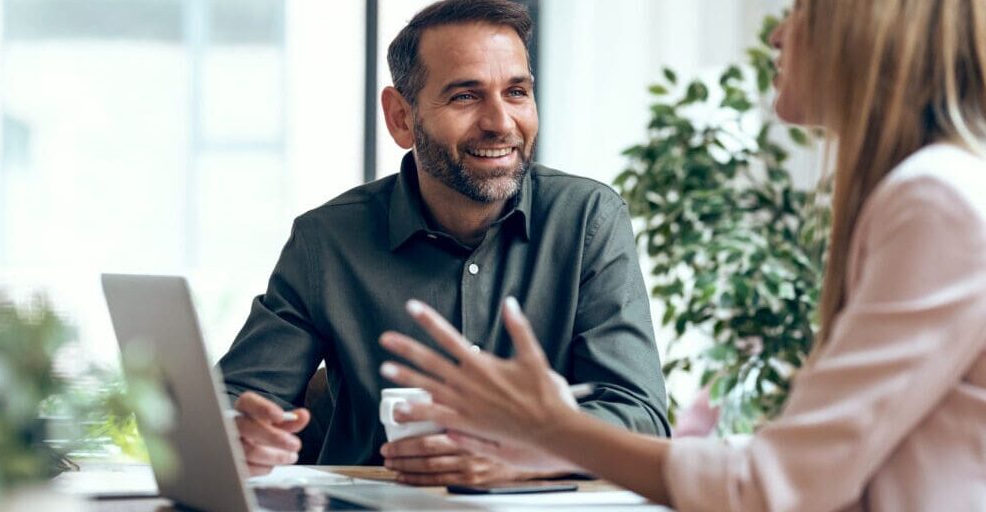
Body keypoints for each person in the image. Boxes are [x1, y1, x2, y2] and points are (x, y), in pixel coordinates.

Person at [377, 0, 986, 509]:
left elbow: (773, 485)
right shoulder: (930, 192)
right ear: (401, 117)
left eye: (801, 10)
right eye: (465, 96)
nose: (776, 34)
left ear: (865, 31)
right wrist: (554, 441)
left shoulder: (937, 201)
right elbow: (814, 466)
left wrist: (553, 430)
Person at [217, 0, 670, 485]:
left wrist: (528, 453)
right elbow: (233, 400)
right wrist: (241, 432)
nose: (501, 122)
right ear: (400, 117)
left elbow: (639, 415)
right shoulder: (326, 241)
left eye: (516, 92)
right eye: (465, 96)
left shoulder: (588, 221)